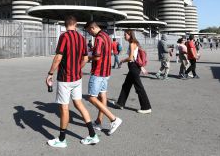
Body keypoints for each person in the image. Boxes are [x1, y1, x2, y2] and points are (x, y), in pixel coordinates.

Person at [45, 16, 99, 148]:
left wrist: (50, 73)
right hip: (77, 78)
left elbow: (58, 57)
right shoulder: (81, 38)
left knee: (64, 108)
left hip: (65, 78)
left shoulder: (64, 37)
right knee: (79, 104)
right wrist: (77, 68)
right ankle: (93, 135)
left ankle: (62, 140)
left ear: (65, 25)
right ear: (75, 25)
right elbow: (86, 58)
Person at [84, 21, 122, 135]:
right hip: (106, 71)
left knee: (91, 97)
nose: (90, 34)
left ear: (92, 28)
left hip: (98, 72)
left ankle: (114, 119)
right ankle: (99, 121)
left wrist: (88, 58)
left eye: (89, 31)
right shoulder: (106, 36)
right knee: (102, 96)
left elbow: (97, 56)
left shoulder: (99, 38)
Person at [111, 30, 152, 114]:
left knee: (138, 87)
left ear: (130, 35)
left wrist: (122, 60)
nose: (124, 36)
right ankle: (120, 103)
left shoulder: (132, 43)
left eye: (125, 34)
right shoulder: (134, 43)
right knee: (126, 85)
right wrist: (141, 67)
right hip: (134, 67)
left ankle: (146, 107)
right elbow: (136, 56)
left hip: (133, 67)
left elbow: (130, 58)